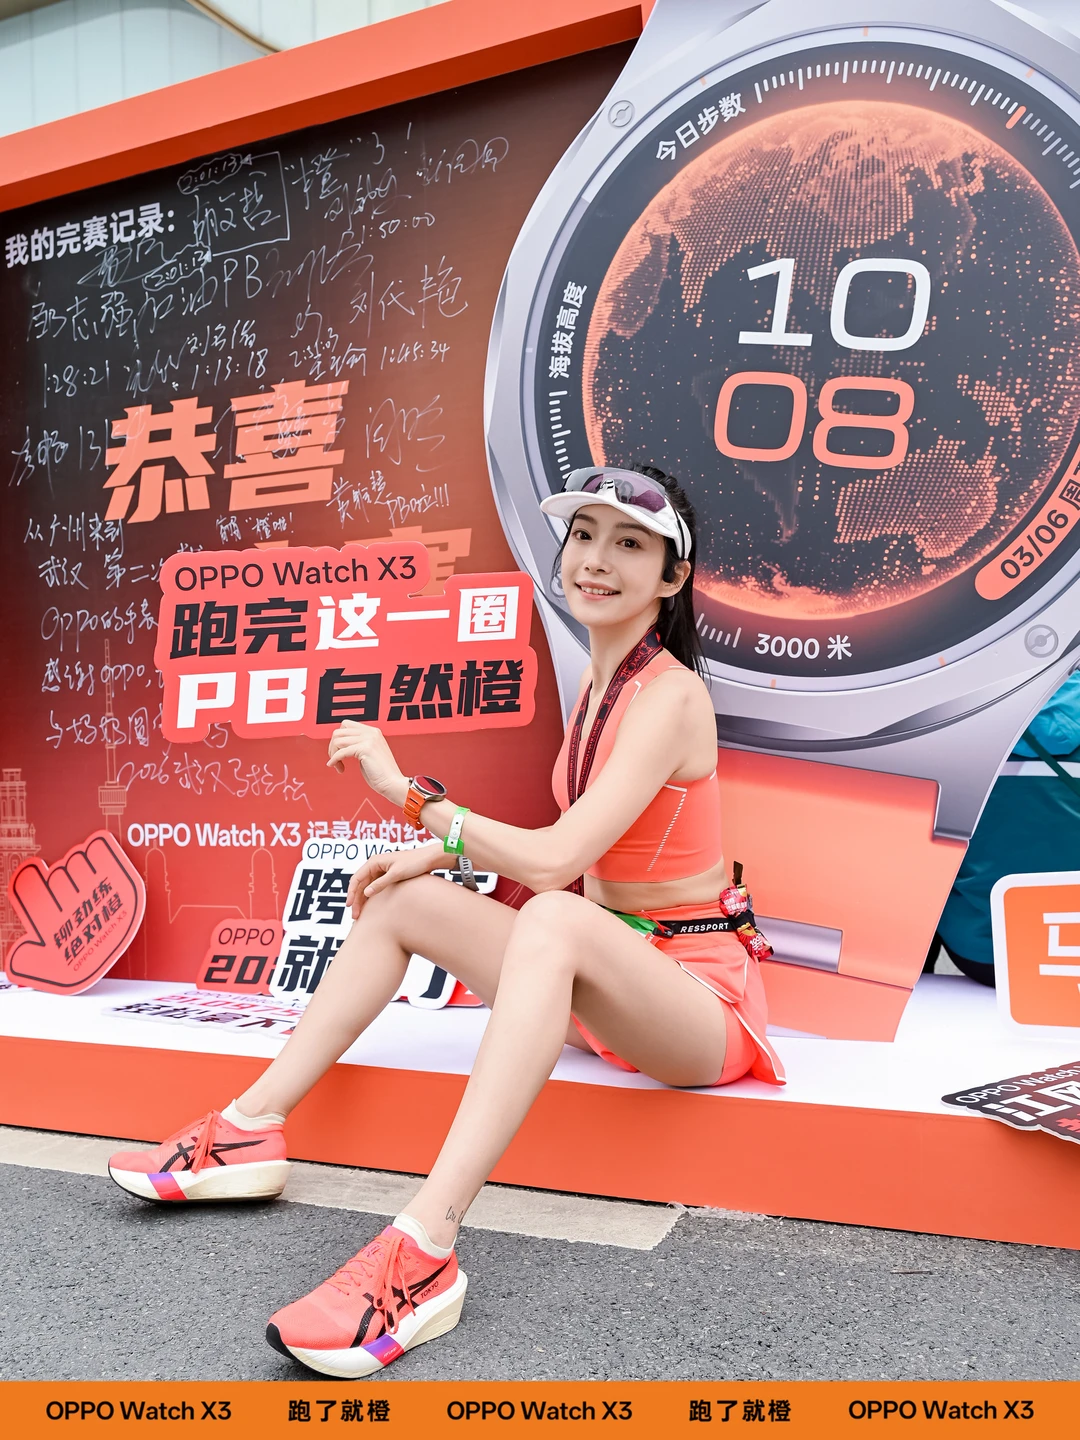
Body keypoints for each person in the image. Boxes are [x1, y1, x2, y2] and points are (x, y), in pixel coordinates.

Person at [107, 465, 784, 1379]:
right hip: (612, 980)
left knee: (552, 917)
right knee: (403, 900)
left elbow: (553, 862)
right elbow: (576, 853)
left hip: (696, 1003)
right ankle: (249, 1127)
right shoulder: (601, 683)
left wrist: (410, 796)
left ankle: (427, 1245)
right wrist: (436, 857)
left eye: (629, 544)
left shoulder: (671, 696)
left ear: (672, 578)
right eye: (584, 536)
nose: (595, 559)